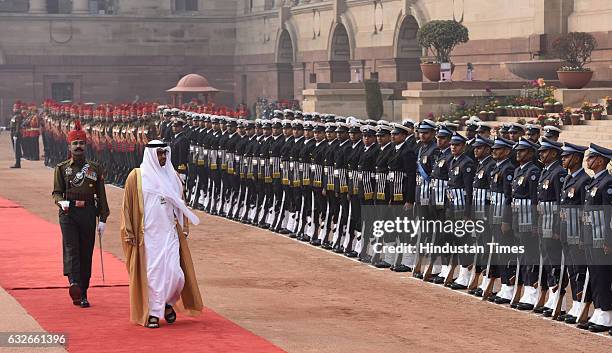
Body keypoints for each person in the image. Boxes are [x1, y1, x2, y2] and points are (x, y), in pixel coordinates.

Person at [120, 140, 203, 328]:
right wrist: (129, 231)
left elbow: (181, 204)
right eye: (159, 154)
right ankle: (154, 314)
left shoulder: (172, 177)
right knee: (153, 277)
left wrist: (184, 225)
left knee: (176, 275)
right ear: (150, 155)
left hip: (169, 234)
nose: (163, 157)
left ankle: (168, 303)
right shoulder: (137, 177)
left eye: (165, 153)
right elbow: (127, 206)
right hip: (147, 236)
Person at [52, 120, 109, 308]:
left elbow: (101, 194)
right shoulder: (61, 168)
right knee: (71, 248)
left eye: (81, 143)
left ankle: (83, 291)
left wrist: (103, 218)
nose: (78, 146)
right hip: (68, 214)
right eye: (75, 143)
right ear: (69, 146)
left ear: (86, 146)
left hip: (88, 213)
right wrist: (61, 202)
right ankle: (74, 283)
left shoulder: (95, 168)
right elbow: (57, 191)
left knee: (86, 252)